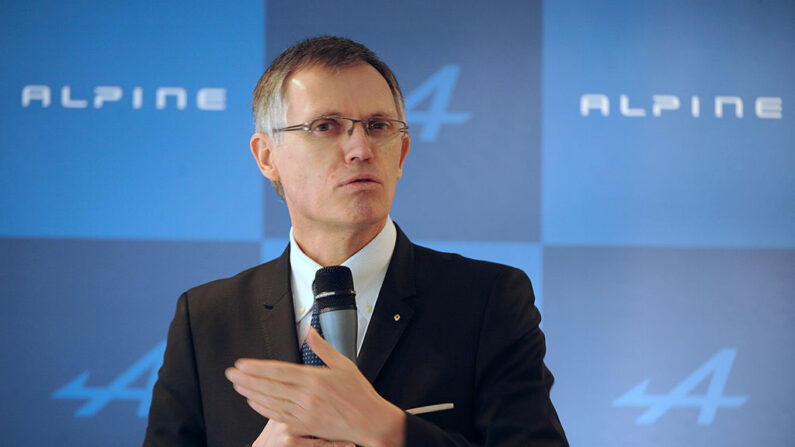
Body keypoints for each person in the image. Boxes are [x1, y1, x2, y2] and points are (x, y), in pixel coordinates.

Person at [144, 36, 567, 447]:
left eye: (378, 126)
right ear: (266, 157)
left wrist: (391, 432)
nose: (361, 148)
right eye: (325, 126)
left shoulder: (487, 300)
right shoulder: (204, 319)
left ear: (400, 154)